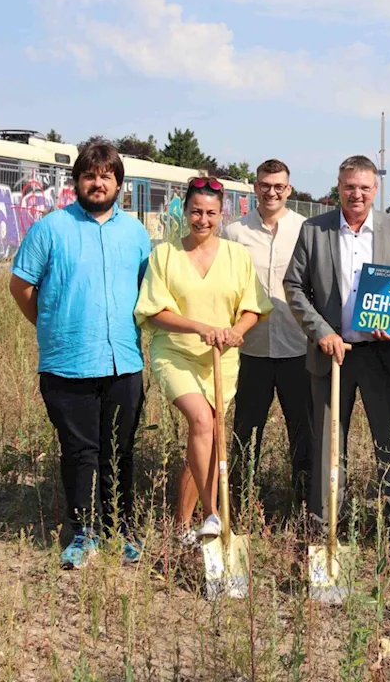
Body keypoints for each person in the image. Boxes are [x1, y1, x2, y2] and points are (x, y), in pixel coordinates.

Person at [9, 143, 152, 570]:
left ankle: (120, 528)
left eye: (107, 175)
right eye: (90, 175)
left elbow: (148, 290)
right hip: (66, 362)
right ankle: (83, 532)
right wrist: (51, 326)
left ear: (119, 184)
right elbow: (21, 287)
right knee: (79, 452)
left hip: (123, 360)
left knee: (120, 450)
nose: (98, 182)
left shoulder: (136, 234)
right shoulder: (50, 229)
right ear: (77, 182)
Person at [283, 155, 390, 557]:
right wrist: (322, 332)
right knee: (329, 443)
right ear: (338, 187)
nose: (356, 194)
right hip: (333, 356)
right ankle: (325, 528)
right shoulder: (314, 230)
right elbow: (295, 286)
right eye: (348, 187)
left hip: (382, 355)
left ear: (375, 190)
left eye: (364, 187)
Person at [135, 177, 272, 542]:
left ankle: (182, 526)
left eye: (211, 213)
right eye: (196, 211)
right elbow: (154, 310)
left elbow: (253, 308)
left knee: (207, 437)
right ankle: (212, 513)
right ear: (184, 210)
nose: (203, 220)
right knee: (201, 420)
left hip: (221, 360)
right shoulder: (165, 255)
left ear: (221, 214)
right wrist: (199, 327)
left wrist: (236, 331)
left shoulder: (237, 256)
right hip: (176, 353)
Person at [223, 159, 312, 513]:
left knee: (303, 431)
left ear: (288, 190)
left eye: (279, 186)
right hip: (251, 348)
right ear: (255, 187)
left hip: (297, 347)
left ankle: (304, 502)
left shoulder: (306, 230)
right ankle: (241, 501)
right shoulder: (234, 233)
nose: (271, 191)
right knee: (246, 430)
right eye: (265, 185)